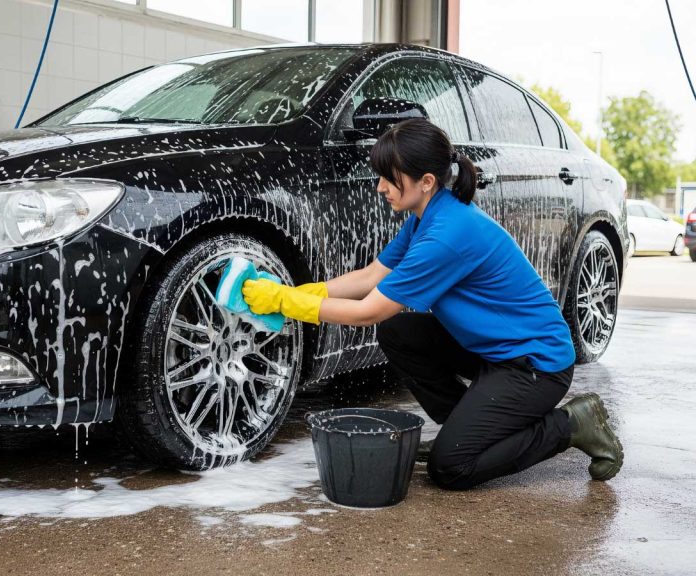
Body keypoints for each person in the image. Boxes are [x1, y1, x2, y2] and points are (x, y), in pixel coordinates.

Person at [242, 117, 623, 490]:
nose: (380, 187)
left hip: (535, 367)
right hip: (495, 353)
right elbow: (371, 276)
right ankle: (467, 429)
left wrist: (286, 302)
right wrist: (302, 290)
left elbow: (367, 310)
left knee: (452, 468)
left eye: (389, 178)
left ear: (425, 182)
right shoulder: (425, 217)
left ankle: (572, 425)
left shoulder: (447, 235)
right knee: (398, 332)